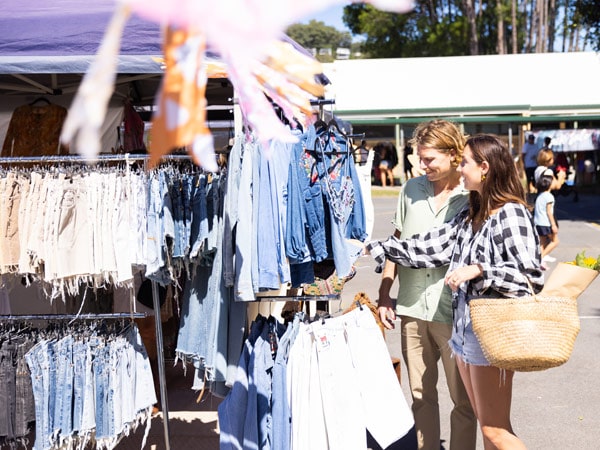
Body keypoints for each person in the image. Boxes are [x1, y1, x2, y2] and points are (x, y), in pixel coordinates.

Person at [367, 134, 544, 450]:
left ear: (485, 167)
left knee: (494, 430)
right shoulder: (472, 214)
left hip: (492, 333)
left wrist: (480, 270)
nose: (460, 170)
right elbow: (428, 247)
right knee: (493, 427)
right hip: (466, 333)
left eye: (465, 163)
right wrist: (376, 248)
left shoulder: (510, 213)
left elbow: (530, 275)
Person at [376, 119, 476, 450]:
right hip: (411, 307)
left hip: (453, 312)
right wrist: (384, 294)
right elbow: (396, 242)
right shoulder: (411, 190)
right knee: (420, 395)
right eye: (420, 158)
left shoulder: (471, 195)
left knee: (464, 401)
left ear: (453, 154)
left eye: (429, 159)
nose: (422, 165)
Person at [534, 173, 559, 268]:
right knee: (555, 241)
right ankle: (541, 258)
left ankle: (540, 261)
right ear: (549, 184)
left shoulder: (540, 195)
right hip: (546, 223)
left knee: (542, 243)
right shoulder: (549, 196)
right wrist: (553, 225)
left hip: (538, 222)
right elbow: (549, 212)